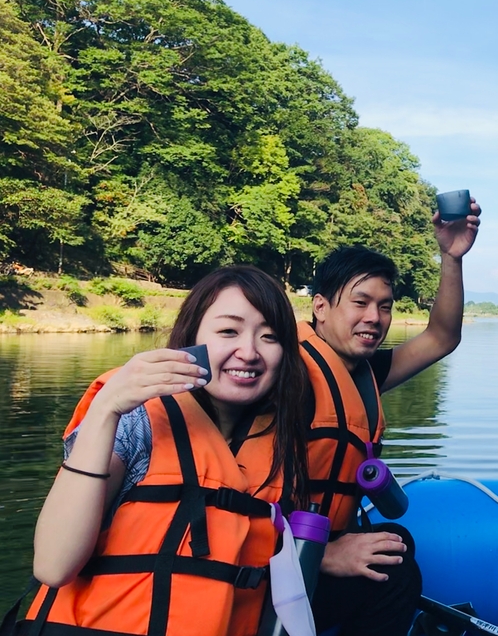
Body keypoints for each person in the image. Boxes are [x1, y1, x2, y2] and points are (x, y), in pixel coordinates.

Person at [18, 266, 310, 636]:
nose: (249, 352)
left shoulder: (278, 440)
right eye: (228, 331)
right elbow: (53, 565)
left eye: (269, 336)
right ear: (191, 339)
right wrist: (106, 409)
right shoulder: (136, 415)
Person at [296, 198, 482, 636]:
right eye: (360, 302)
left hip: (316, 543)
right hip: (270, 557)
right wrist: (324, 555)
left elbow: (441, 336)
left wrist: (450, 257)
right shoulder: (284, 374)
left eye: (385, 306)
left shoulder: (365, 372)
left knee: (397, 546)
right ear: (320, 307)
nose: (374, 318)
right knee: (397, 575)